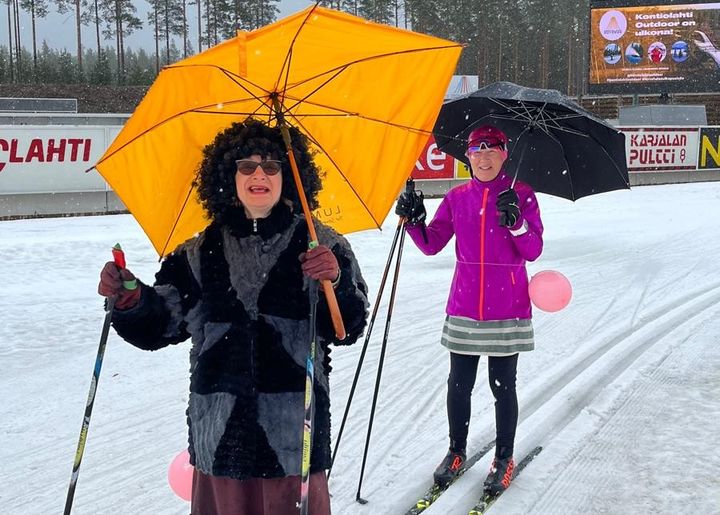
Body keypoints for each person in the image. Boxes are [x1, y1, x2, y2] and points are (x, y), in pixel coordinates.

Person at [98, 119, 369, 515]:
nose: (259, 174)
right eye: (247, 166)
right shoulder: (198, 251)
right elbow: (162, 324)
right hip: (220, 433)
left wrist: (337, 280)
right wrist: (130, 297)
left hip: (295, 436)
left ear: (290, 177)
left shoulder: (320, 245)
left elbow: (349, 326)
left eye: (272, 166)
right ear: (229, 175)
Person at [395, 125, 543, 495]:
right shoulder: (458, 196)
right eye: (477, 150)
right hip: (463, 306)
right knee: (458, 386)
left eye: (492, 149)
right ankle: (456, 452)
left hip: (507, 307)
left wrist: (518, 224)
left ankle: (504, 458)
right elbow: (431, 244)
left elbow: (534, 250)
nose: (484, 156)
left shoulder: (521, 194)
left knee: (502, 386)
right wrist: (414, 221)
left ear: (504, 153)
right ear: (468, 156)